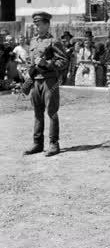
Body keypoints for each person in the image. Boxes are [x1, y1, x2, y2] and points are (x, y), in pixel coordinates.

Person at [24, 12, 68, 157]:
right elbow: (30, 62)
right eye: (35, 24)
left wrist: (47, 63)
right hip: (35, 81)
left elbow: (63, 62)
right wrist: (27, 74)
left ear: (47, 24)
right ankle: (37, 143)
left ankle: (54, 144)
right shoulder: (33, 41)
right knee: (37, 113)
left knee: (52, 112)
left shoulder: (53, 41)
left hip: (50, 81)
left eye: (39, 24)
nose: (36, 27)